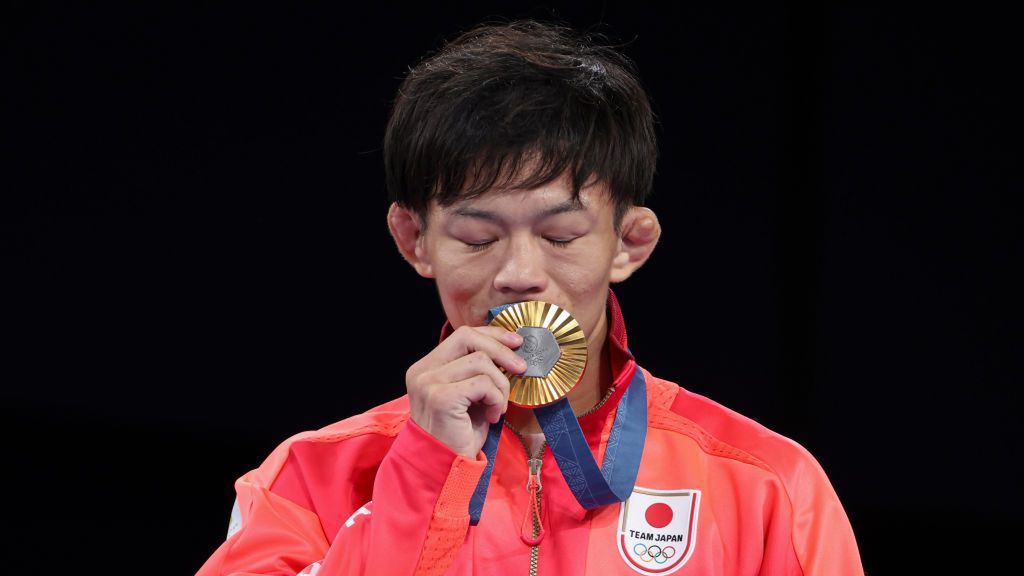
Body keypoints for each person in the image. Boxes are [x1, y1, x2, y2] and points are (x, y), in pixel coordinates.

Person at [196, 19, 863, 576]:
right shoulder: (308, 480)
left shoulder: (768, 485)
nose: (520, 272)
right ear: (414, 240)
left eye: (560, 235)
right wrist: (423, 474)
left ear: (629, 243)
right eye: (479, 238)